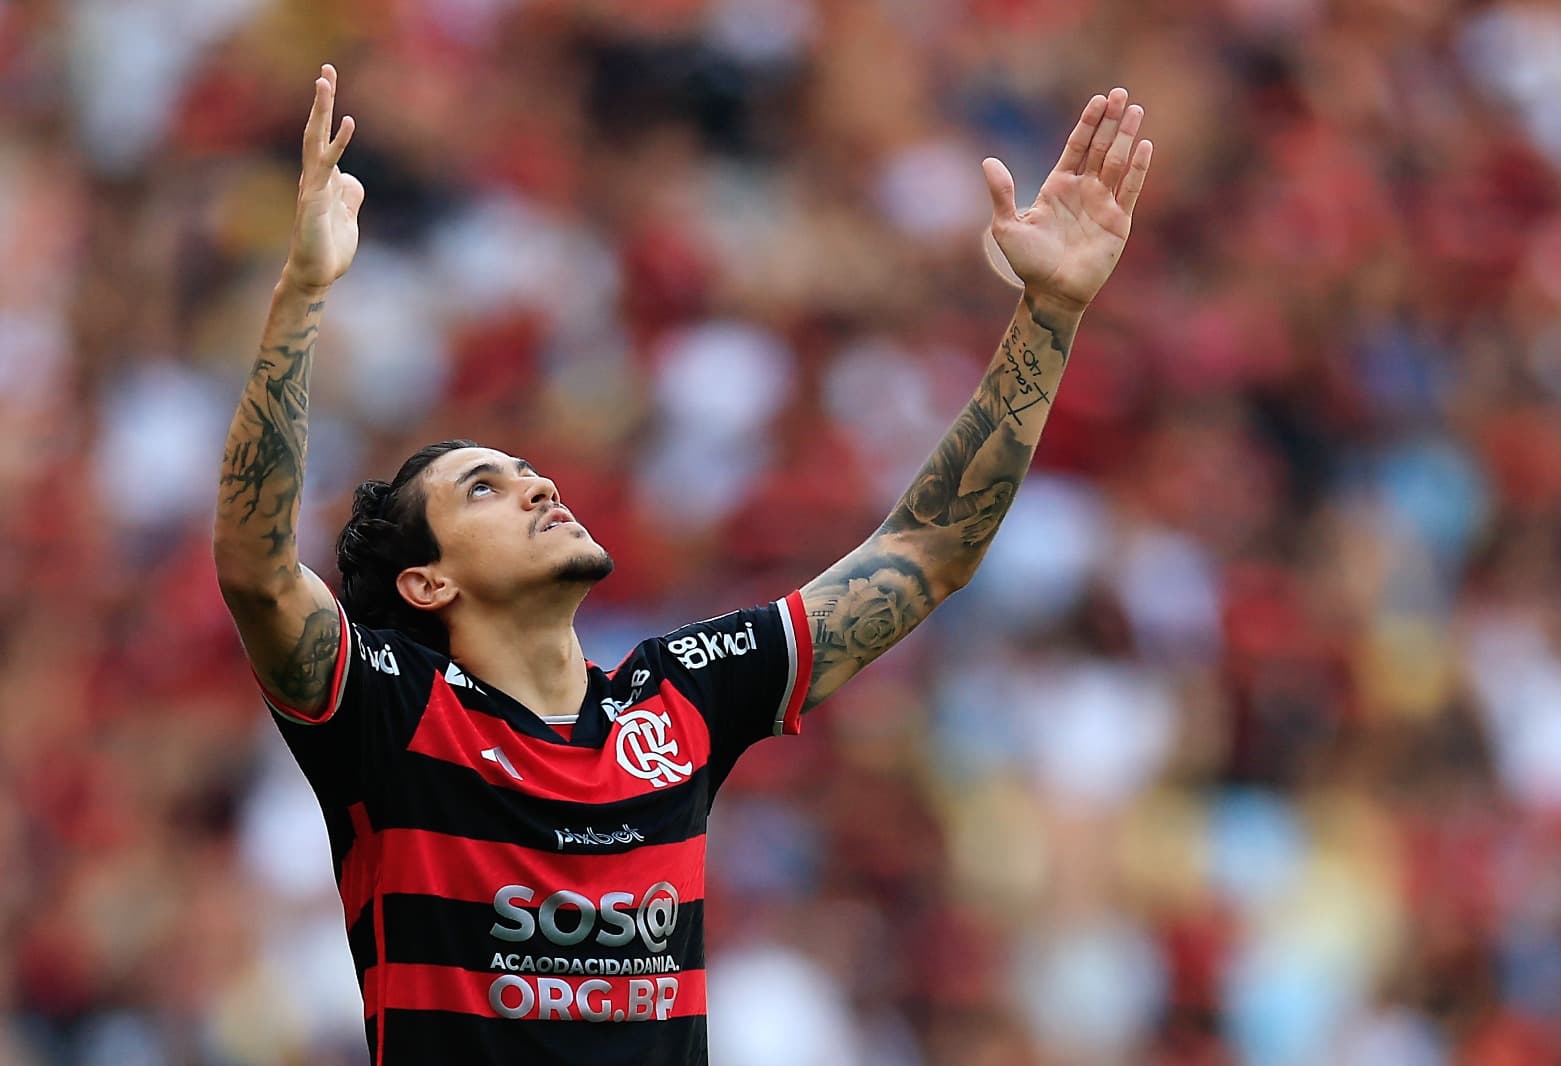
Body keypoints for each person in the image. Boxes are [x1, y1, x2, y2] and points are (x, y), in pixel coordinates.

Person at [212, 62, 1153, 1066]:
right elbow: (257, 568)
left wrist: (1049, 312)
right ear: (427, 582)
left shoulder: (679, 698)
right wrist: (304, 292)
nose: (536, 487)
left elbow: (926, 551)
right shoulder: (390, 714)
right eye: (482, 488)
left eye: (529, 471)